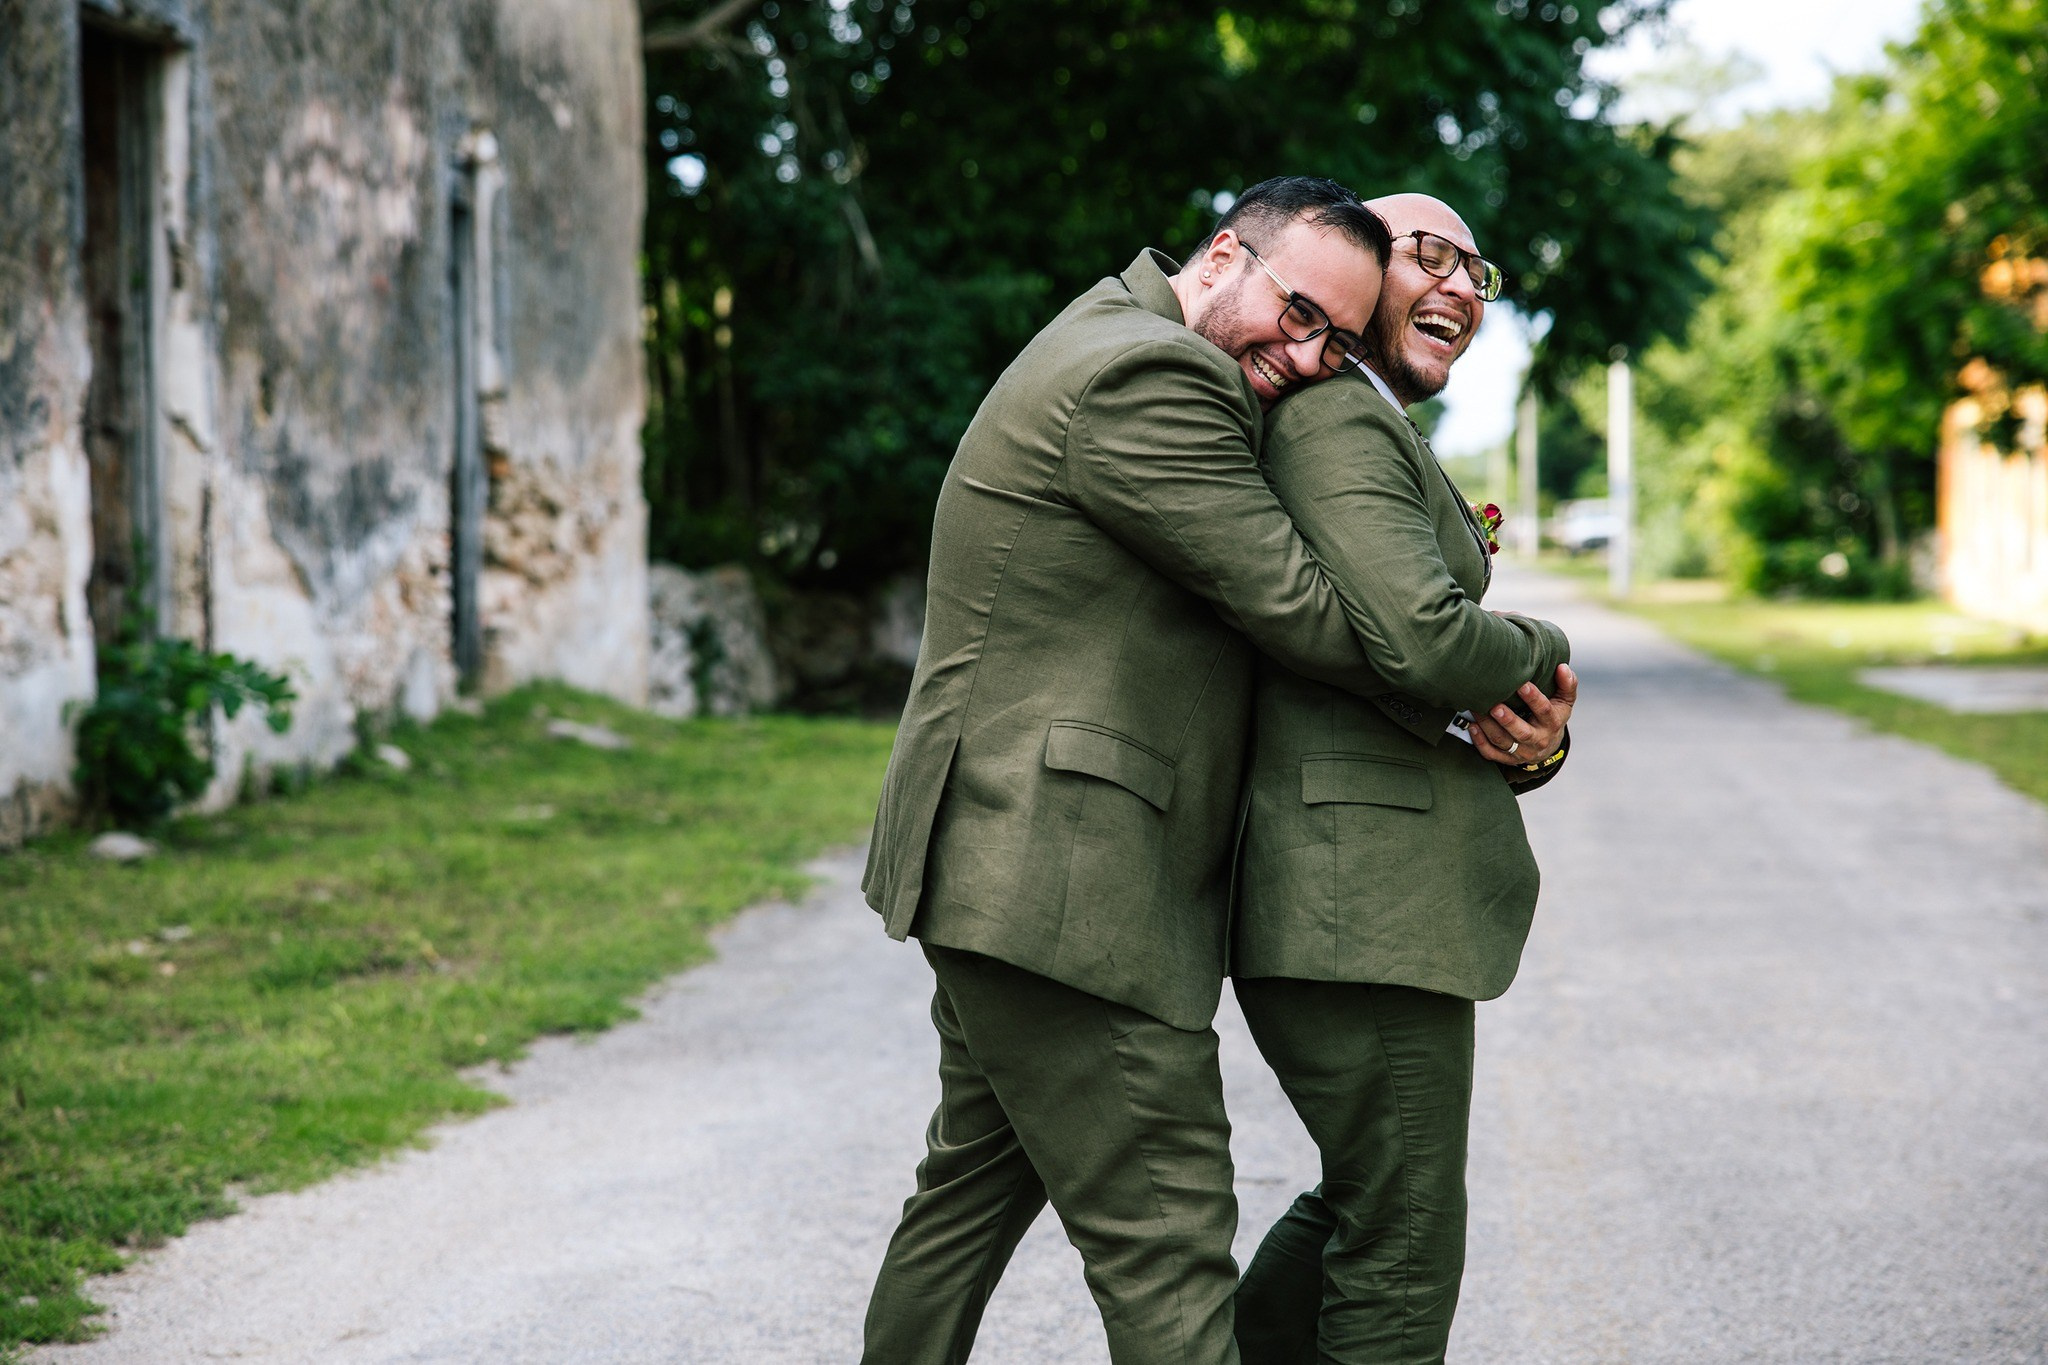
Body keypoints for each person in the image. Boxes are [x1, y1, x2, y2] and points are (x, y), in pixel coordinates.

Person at [859, 177, 1420, 1365]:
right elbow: (1307, 614)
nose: (1310, 354)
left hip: (1007, 869)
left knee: (964, 1200)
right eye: (1301, 311)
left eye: (1337, 339)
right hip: (1066, 879)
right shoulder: (1149, 376)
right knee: (1167, 1246)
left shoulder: (1104, 337)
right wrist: (1497, 651)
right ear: (1223, 256)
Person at [1228, 192, 1579, 1365]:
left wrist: (1531, 734)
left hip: (1366, 895)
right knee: (1405, 1232)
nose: (1461, 288)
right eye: (1424, 257)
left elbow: (1406, 686)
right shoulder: (1335, 418)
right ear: (1351, 278)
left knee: (1368, 1203)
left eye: (1476, 269)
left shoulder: (1370, 420)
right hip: (1352, 901)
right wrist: (1540, 648)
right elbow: (1422, 640)